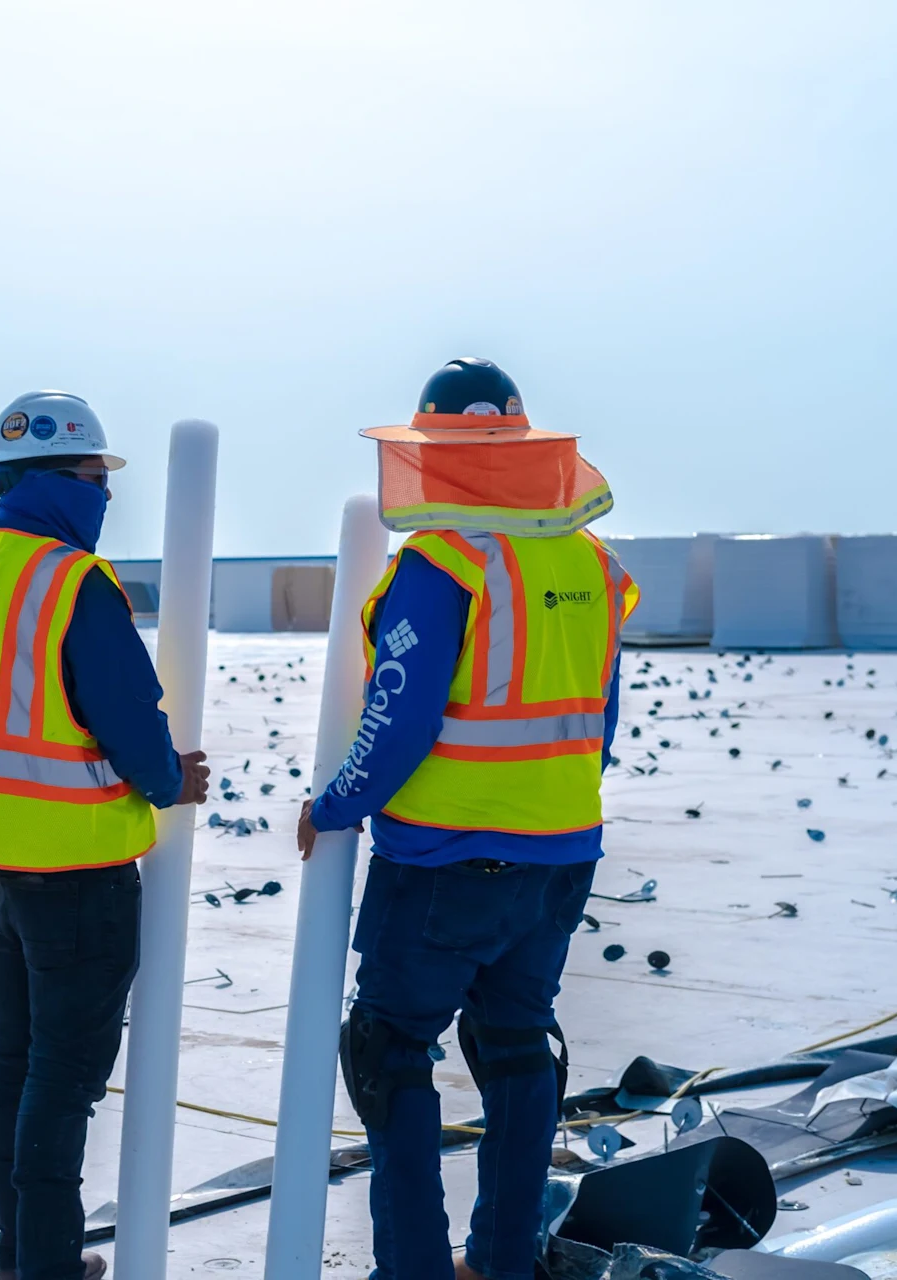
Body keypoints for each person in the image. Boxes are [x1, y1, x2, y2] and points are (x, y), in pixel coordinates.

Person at [298, 358, 635, 1280]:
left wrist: (333, 806)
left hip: (444, 859)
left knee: (390, 1052)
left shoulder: (442, 562)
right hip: (563, 852)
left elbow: (398, 715)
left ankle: (412, 1269)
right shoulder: (591, 563)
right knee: (521, 1047)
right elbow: (600, 720)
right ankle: (501, 1260)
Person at [0, 391, 209, 1280]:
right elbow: (125, 710)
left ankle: (23, 1257)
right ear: (56, 484)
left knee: (13, 1062)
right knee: (62, 1084)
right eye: (94, 477)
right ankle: (45, 1267)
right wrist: (166, 780)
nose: (104, 494)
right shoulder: (74, 582)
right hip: (79, 869)